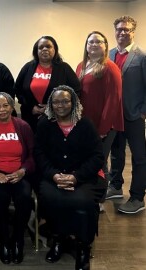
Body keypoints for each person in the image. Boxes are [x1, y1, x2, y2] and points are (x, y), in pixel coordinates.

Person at [34, 85, 107, 270]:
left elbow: (98, 156)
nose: (61, 105)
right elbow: (39, 154)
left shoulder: (85, 124)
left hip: (84, 177)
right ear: (51, 104)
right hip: (54, 175)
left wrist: (76, 177)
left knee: (83, 201)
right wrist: (54, 175)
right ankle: (58, 240)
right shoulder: (44, 123)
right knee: (51, 198)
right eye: (56, 101)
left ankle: (83, 247)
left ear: (73, 102)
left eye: (65, 101)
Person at [0, 92, 34, 264]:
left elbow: (33, 155)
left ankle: (18, 239)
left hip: (19, 174)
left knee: (24, 197)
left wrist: (23, 170)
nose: (2, 109)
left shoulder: (23, 126)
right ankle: (3, 240)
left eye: (5, 105)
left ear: (11, 107)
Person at [76, 31, 123, 205]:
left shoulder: (110, 67)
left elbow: (114, 99)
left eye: (98, 42)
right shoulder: (82, 65)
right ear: (86, 46)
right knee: (87, 159)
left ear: (105, 46)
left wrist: (103, 129)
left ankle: (99, 200)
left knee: (99, 161)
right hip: (85, 123)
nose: (94, 44)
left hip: (103, 125)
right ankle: (88, 192)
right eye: (90, 42)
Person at [107, 15, 146, 214]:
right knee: (116, 153)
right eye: (119, 29)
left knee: (139, 157)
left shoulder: (142, 56)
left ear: (133, 32)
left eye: (127, 30)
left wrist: (143, 113)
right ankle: (115, 186)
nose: (123, 32)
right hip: (115, 115)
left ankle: (137, 197)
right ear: (115, 31)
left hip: (134, 115)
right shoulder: (109, 54)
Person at [15, 36, 80, 132]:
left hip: (56, 117)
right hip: (30, 116)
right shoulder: (28, 67)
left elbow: (76, 90)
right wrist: (31, 107)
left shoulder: (64, 68)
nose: (44, 49)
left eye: (48, 46)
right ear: (36, 51)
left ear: (55, 49)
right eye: (41, 47)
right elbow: (18, 89)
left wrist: (53, 107)